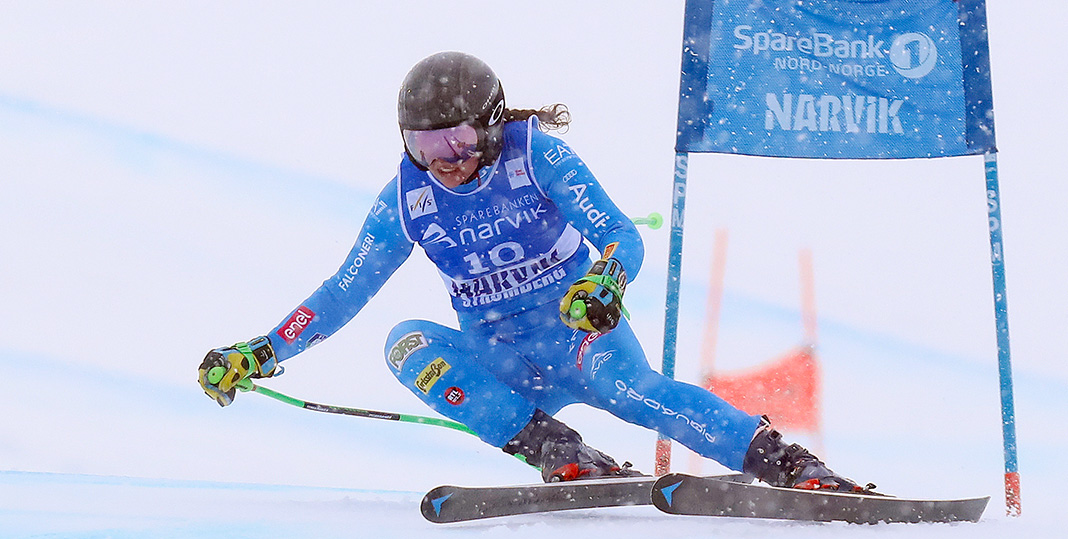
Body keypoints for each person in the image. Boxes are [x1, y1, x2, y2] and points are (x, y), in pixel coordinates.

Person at [198, 51, 869, 490]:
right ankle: (557, 450)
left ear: (491, 126)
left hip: (579, 335)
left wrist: (605, 281)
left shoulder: (535, 157)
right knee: (405, 343)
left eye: (458, 139)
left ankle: (785, 462)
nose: (445, 159)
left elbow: (620, 235)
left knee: (632, 392)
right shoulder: (407, 198)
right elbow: (343, 292)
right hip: (503, 360)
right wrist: (263, 350)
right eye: (424, 145)